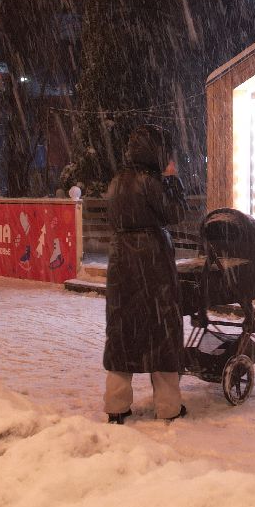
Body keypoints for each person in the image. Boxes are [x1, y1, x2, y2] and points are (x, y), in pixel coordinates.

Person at [102, 125, 190, 424]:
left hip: (120, 261)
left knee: (121, 330)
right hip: (152, 260)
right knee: (161, 329)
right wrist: (173, 181)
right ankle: (168, 407)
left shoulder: (116, 181)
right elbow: (176, 214)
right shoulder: (151, 181)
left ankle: (116, 405)